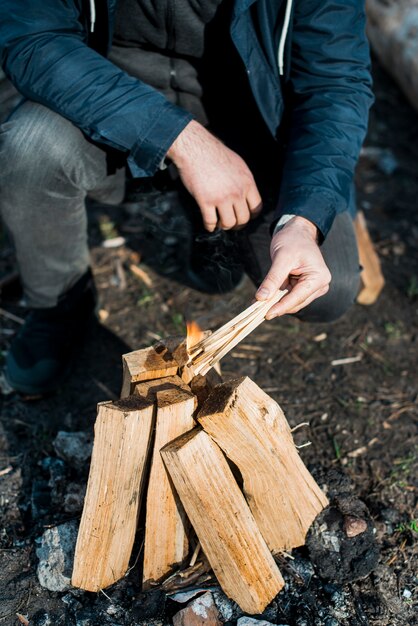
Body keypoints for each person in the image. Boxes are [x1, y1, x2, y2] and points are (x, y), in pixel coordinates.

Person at [0, 0, 373, 395]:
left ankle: (213, 228)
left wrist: (304, 218)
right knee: (31, 148)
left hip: (251, 127)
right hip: (112, 107)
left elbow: (336, 82)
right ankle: (60, 305)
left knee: (327, 289)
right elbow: (32, 39)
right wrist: (181, 140)